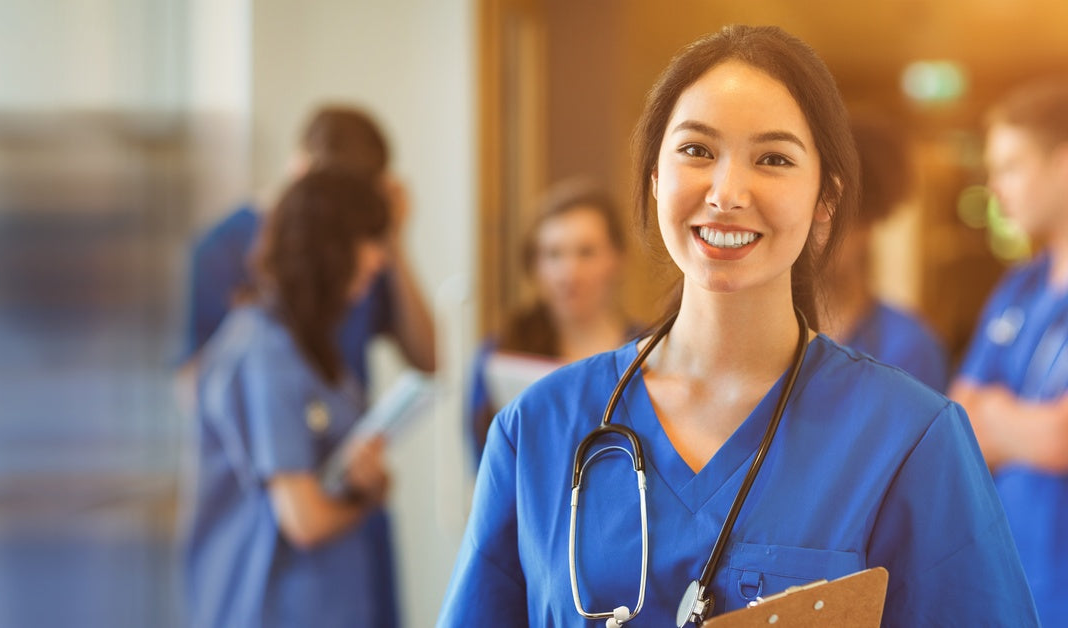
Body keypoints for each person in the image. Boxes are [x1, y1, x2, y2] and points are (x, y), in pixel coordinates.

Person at [439, 25, 1037, 627]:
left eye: (773, 159)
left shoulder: (910, 438)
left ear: (823, 204)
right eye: (697, 151)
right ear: (654, 178)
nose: (726, 192)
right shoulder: (537, 430)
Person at [179, 106, 433, 628]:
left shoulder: (310, 345)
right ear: (332, 251)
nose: (378, 265)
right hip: (272, 602)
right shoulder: (265, 350)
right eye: (369, 254)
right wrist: (369, 498)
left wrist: (358, 478)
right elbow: (305, 519)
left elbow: (427, 357)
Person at [949, 75, 1068, 627]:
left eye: (1012, 166)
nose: (996, 189)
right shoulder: (1018, 287)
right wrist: (1028, 428)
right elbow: (960, 420)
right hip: (1012, 595)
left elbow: (1061, 437)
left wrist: (1003, 419)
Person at [467, 180, 638, 466]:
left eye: (586, 252)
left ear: (617, 258)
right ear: (534, 265)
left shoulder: (653, 352)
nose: (569, 273)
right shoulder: (501, 353)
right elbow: (485, 466)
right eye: (553, 255)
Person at [818, 114, 949, 390]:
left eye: (832, 217)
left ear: (866, 227)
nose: (813, 236)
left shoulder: (906, 347)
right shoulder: (763, 341)